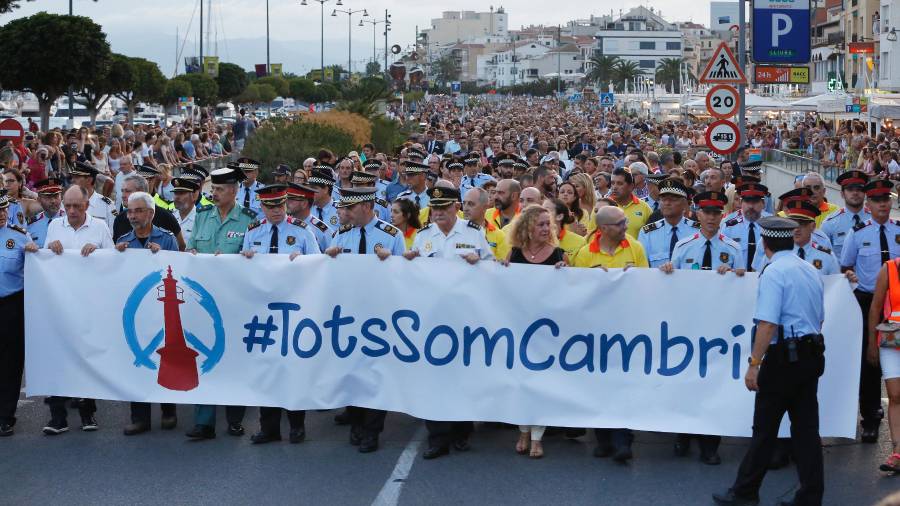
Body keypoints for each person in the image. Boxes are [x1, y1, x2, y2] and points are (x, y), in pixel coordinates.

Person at [713, 216, 826, 506]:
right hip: (809, 355)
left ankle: (745, 491)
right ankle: (810, 495)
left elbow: (767, 324)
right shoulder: (808, 269)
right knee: (806, 431)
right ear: (790, 239)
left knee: (764, 430)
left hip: (782, 359)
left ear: (765, 243)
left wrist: (754, 363)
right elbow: (819, 316)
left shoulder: (774, 271)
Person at [404, 186, 493, 460]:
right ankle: (437, 437)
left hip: (464, 317)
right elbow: (409, 274)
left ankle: (461, 431)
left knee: (462, 376)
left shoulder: (474, 233)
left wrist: (480, 261)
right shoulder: (422, 236)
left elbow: (491, 267)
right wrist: (407, 262)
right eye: (435, 208)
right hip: (431, 319)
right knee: (434, 378)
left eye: (444, 207)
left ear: (456, 207)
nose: (439, 213)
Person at [660, 190, 743, 466]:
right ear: (696, 214)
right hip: (689, 324)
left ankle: (710, 443)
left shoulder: (732, 248)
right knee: (686, 380)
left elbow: (742, 287)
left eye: (716, 212)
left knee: (713, 383)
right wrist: (670, 272)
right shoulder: (684, 247)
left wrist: (734, 276)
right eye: (706, 212)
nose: (711, 217)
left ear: (723, 215)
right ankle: (683, 434)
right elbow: (672, 288)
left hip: (719, 327)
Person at [324, 187, 404, 453]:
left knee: (375, 373)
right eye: (345, 208)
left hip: (379, 315)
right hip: (349, 314)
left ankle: (372, 430)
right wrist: (329, 259)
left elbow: (406, 274)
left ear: (368, 206)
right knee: (352, 371)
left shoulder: (391, 235)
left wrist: (392, 262)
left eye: (352, 208)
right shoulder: (341, 234)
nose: (346, 213)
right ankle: (357, 422)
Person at [185, 166, 259, 440]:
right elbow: (191, 247)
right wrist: (192, 253)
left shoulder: (249, 219)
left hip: (235, 303)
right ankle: (204, 422)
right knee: (204, 359)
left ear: (233, 191)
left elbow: (254, 256)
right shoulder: (203, 216)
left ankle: (234, 419)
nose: (213, 194)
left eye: (218, 189)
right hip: (203, 302)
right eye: (212, 189)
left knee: (234, 361)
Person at [241, 185, 317, 445]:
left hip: (294, 308)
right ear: (262, 207)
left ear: (286, 205)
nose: (276, 211)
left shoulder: (302, 231)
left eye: (280, 206)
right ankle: (269, 427)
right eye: (270, 207)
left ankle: (297, 425)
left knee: (293, 368)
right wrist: (246, 258)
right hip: (263, 311)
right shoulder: (253, 232)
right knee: (267, 370)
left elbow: (319, 267)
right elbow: (243, 270)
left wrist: (303, 261)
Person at [41, 185, 114, 435]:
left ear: (87, 206)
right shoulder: (54, 226)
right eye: (67, 206)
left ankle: (87, 412)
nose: (71, 211)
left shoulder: (100, 227)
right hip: (59, 304)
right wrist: (49, 249)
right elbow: (44, 262)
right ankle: (57, 417)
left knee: (85, 358)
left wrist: (99, 253)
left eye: (77, 206)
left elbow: (113, 263)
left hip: (88, 305)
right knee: (57, 359)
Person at [113, 191, 179, 435]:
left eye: (138, 211)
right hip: (137, 310)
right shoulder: (124, 240)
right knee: (137, 361)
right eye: (130, 211)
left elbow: (179, 268)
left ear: (150, 213)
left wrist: (161, 255)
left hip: (162, 309)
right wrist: (115, 256)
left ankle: (168, 410)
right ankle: (139, 417)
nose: (132, 216)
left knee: (167, 357)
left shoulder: (167, 238)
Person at [504, 204, 566, 459]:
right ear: (527, 227)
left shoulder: (558, 254)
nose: (545, 228)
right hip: (518, 328)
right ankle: (523, 431)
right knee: (520, 381)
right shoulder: (515, 253)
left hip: (546, 332)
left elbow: (567, 295)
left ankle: (537, 436)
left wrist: (566, 274)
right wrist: (499, 270)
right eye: (540, 224)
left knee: (540, 382)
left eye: (547, 224)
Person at [841, 179, 900, 443]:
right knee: (871, 362)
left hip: (897, 304)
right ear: (869, 204)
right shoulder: (858, 232)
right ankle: (871, 418)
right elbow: (846, 266)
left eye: (886, 199)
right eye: (877, 200)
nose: (883, 205)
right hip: (868, 303)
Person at [0, 191, 37, 436]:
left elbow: (38, 269)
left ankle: (5, 416)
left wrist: (36, 252)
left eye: (3, 209)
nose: (2, 214)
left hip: (10, 305)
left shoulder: (19, 236)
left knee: (10, 362)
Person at [867, 256, 900, 474]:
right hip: (891, 340)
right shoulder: (889, 269)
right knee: (895, 395)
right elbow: (875, 307)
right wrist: (871, 343)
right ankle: (898, 449)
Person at [112, 174, 184, 250]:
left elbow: (180, 247)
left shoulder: (166, 217)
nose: (123, 195)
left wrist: (162, 255)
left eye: (127, 191)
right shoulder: (119, 219)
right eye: (122, 191)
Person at [638, 179, 699, 268]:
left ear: (684, 204)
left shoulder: (697, 231)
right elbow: (642, 267)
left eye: (672, 200)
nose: (667, 203)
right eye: (663, 199)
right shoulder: (647, 233)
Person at [820, 170, 871, 258]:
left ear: (865, 193)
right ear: (842, 194)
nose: (855, 193)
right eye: (850, 189)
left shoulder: (875, 219)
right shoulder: (830, 223)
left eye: (859, 189)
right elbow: (824, 257)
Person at [723, 183, 770, 272]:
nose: (751, 206)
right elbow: (723, 256)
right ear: (741, 203)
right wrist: (726, 266)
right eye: (747, 202)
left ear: (763, 204)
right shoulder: (729, 227)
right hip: (736, 279)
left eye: (755, 202)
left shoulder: (771, 229)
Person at [462, 187, 510, 260]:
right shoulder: (454, 231)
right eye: (464, 203)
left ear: (485, 207)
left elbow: (501, 268)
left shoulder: (499, 236)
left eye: (471, 204)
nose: (465, 208)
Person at [285, 182, 332, 252]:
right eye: (287, 198)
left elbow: (332, 257)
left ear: (304, 204)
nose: (287, 202)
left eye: (292, 199)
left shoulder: (321, 230)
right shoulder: (283, 224)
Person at [68, 161, 117, 227]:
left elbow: (112, 232)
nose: (72, 180)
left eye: (77, 177)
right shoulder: (66, 204)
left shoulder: (107, 205)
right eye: (72, 177)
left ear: (89, 180)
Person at [608, 167, 652, 239]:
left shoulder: (644, 208)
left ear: (631, 186)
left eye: (620, 183)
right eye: (612, 183)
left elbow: (651, 236)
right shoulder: (603, 206)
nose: (614, 187)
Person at [26, 177, 65, 248]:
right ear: (39, 200)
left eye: (56, 196)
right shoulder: (31, 224)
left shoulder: (70, 220)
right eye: (48, 197)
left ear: (61, 197)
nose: (53, 201)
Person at [171, 177, 199, 244]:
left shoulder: (200, 219)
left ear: (193, 196)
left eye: (181, 193)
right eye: (175, 193)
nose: (177, 197)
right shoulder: (170, 216)